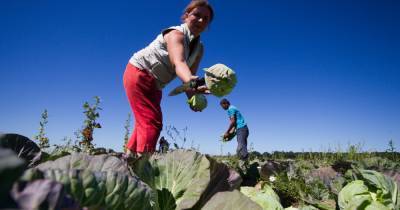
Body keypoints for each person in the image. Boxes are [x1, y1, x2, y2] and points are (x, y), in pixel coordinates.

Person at [123, 0, 214, 156]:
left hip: (156, 84)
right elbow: (178, 63)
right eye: (197, 15)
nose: (201, 20)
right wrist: (194, 83)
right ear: (186, 16)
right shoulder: (175, 34)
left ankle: (129, 159)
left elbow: (187, 76)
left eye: (206, 19)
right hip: (140, 73)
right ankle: (143, 166)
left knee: (144, 121)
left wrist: (193, 96)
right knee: (152, 121)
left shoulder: (199, 49)